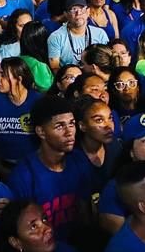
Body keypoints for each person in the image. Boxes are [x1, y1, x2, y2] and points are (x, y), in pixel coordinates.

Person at [5, 95, 92, 244]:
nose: (69, 132)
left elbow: (84, 213)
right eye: (60, 126)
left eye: (71, 124)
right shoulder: (23, 176)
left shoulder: (79, 161)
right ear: (41, 132)